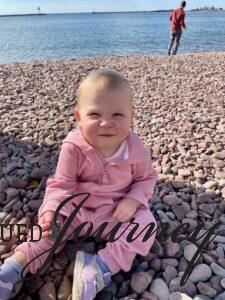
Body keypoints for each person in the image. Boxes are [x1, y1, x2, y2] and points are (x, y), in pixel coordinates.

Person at [0, 69, 157, 300]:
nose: (106, 123)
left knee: (147, 225)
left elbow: (146, 178)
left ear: (131, 117)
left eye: (117, 115)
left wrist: (133, 200)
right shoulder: (73, 147)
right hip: (76, 210)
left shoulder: (135, 148)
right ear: (78, 117)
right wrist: (53, 210)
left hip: (114, 213)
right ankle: (13, 268)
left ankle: (99, 267)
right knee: (47, 231)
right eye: (95, 114)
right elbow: (61, 184)